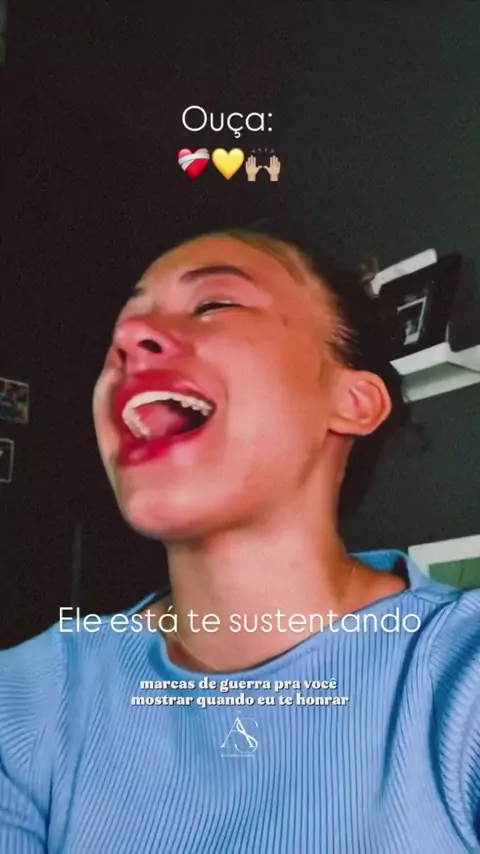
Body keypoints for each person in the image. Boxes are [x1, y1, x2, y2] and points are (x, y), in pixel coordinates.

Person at [0, 229, 479, 853]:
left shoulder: (461, 679)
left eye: (214, 304)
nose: (127, 339)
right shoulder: (26, 696)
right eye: (122, 328)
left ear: (354, 401)